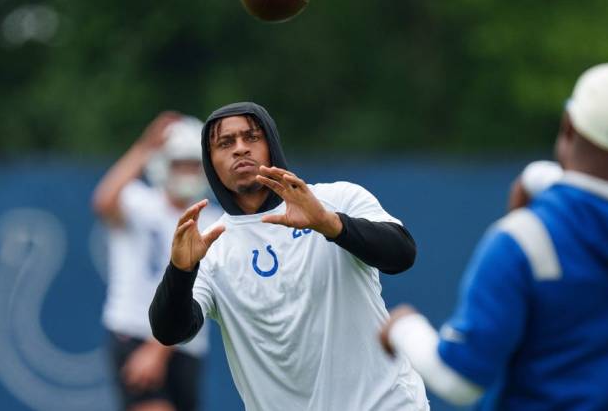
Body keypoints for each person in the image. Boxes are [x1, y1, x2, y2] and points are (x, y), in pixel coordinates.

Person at [379, 63, 608, 410]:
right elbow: (604, 196)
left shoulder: (521, 242)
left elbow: (460, 380)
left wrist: (403, 327)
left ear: (568, 126)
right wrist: (538, 178)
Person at [148, 102, 429, 411]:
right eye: (225, 143)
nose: (240, 149)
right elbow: (171, 331)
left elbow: (402, 254)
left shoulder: (336, 199)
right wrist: (180, 271)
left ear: (271, 144)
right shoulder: (211, 244)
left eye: (251, 137)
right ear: (210, 162)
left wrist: (329, 223)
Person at [93, 112, 220, 411]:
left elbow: (202, 289)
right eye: (180, 164)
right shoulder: (140, 202)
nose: (188, 172)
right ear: (163, 164)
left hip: (186, 344)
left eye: (194, 164)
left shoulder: (213, 219)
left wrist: (162, 347)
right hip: (135, 332)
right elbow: (103, 201)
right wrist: (145, 146)